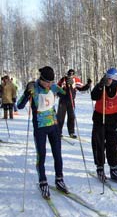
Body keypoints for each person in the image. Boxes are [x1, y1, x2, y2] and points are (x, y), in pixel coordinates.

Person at [17, 66, 69, 199]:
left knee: (57, 154)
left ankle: (59, 179)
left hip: (54, 126)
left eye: (51, 82)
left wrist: (68, 86)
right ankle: (43, 181)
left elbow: (67, 97)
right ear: (41, 79)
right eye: (47, 82)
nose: (49, 85)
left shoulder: (52, 87)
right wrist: (27, 92)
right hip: (40, 127)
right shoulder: (33, 88)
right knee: (42, 155)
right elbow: (19, 105)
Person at [57, 69, 92, 138]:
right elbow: (57, 88)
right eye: (69, 74)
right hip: (63, 101)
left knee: (71, 117)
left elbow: (82, 88)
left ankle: (71, 132)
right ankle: (58, 131)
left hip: (71, 101)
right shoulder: (63, 79)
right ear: (67, 74)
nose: (71, 76)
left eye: (72, 74)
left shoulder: (76, 80)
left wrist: (88, 85)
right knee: (60, 117)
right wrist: (61, 93)